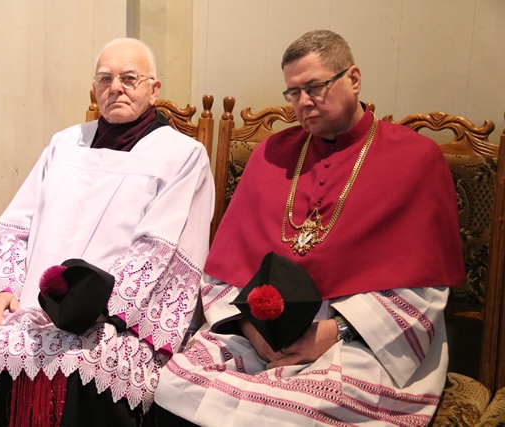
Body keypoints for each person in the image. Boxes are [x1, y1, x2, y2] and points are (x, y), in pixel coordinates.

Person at [153, 29, 464, 426]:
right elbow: (226, 268)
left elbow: (424, 286)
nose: (303, 102)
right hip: (262, 333)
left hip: (362, 339)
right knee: (174, 386)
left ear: (353, 78)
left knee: (291, 411)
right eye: (293, 93)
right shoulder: (272, 155)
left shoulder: (415, 159)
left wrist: (334, 332)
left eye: (315, 87)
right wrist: (250, 326)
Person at [0, 37, 215, 427]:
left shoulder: (182, 155)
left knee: (87, 361)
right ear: (94, 89)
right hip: (31, 303)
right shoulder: (64, 144)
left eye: (129, 78)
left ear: (154, 89)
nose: (116, 88)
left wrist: (93, 308)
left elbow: (158, 250)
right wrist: (1, 289)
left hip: (114, 313)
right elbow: (15, 225)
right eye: (105, 79)